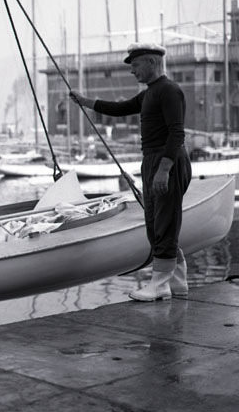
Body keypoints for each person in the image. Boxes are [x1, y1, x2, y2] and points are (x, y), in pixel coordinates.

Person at [70, 42, 192, 301]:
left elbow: (177, 133)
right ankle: (177, 282)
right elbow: (119, 109)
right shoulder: (149, 94)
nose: (132, 70)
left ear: (151, 62)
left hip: (167, 161)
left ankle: (159, 284)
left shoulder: (169, 90)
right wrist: (84, 101)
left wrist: (164, 170)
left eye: (135, 65)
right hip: (152, 161)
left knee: (165, 224)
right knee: (155, 224)